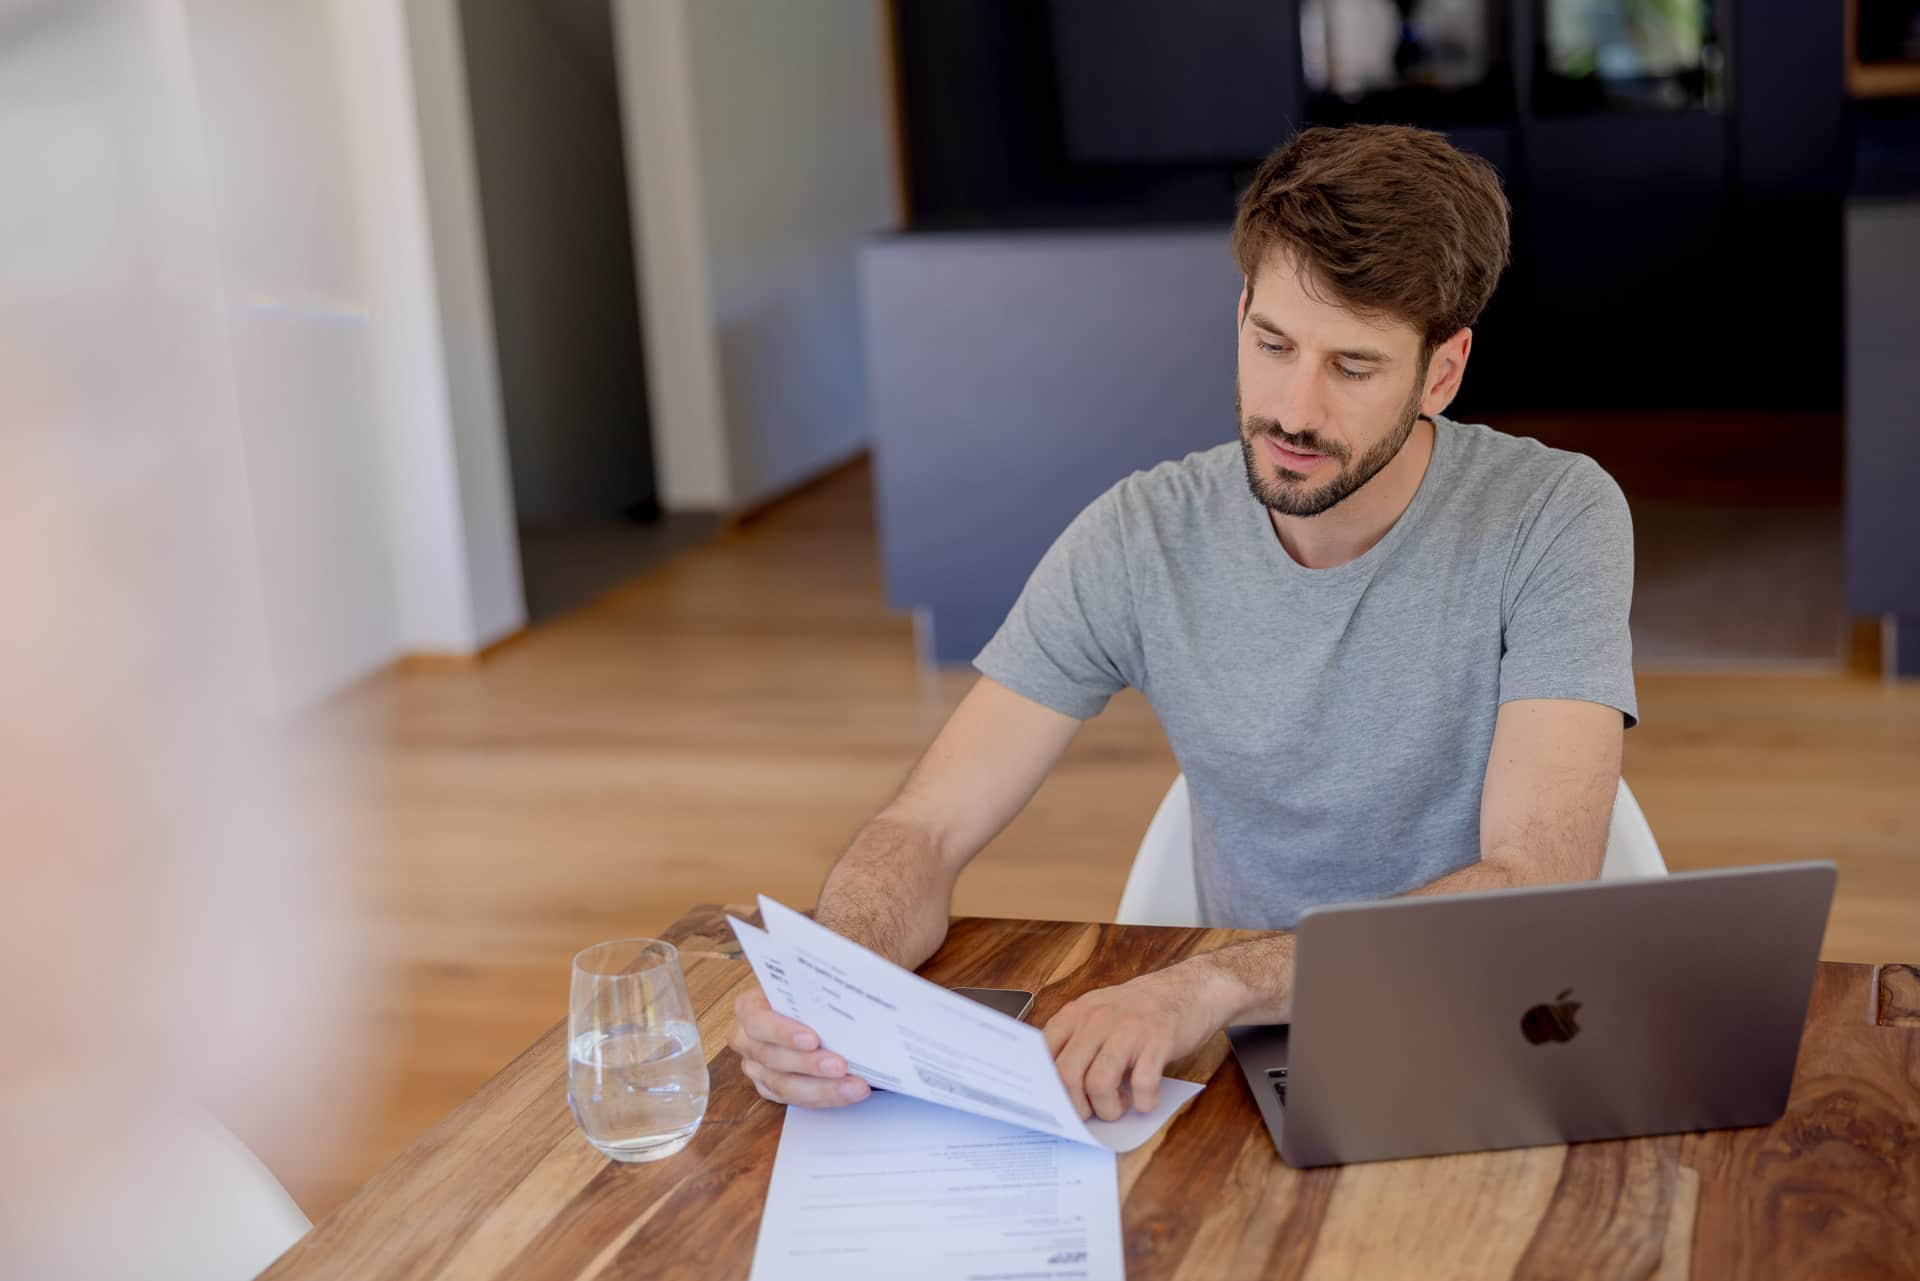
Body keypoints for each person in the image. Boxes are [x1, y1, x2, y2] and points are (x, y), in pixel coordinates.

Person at [730, 124, 1635, 1125]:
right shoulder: (1141, 534)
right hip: (1263, 1059)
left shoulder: (1554, 516)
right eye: (1273, 344)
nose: (1294, 409)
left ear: (1443, 372)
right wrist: (829, 979)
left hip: (1492, 1024)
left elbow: (1536, 879)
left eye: (1354, 366)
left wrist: (1212, 985)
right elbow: (926, 826)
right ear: (1240, 311)